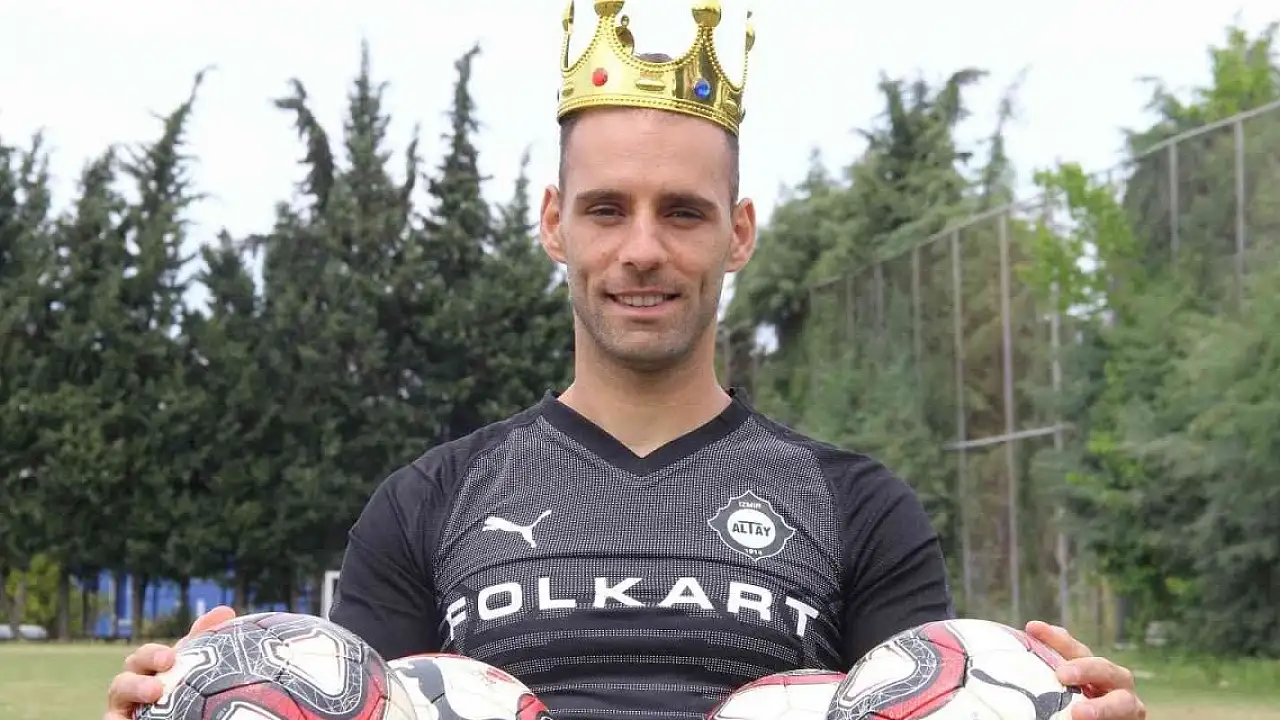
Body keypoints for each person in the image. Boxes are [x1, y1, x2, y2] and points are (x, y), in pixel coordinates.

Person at [105, 2, 1147, 720]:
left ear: (738, 233)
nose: (642, 249)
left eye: (682, 212)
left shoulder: (857, 506)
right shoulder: (427, 501)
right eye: (606, 209)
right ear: (554, 223)